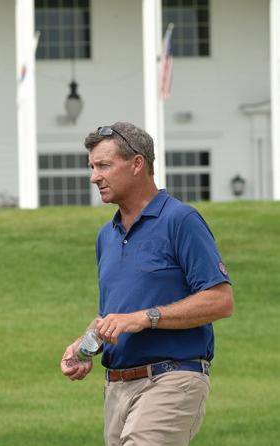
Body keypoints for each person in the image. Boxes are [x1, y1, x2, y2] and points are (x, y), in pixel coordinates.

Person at [60, 122, 234, 446]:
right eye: (92, 167)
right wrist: (84, 346)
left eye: (104, 166)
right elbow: (114, 316)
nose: (94, 177)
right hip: (116, 389)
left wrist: (145, 318)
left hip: (171, 380)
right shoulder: (106, 236)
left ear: (137, 164)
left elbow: (220, 300)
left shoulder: (180, 220)